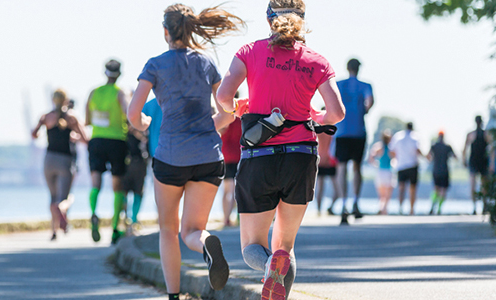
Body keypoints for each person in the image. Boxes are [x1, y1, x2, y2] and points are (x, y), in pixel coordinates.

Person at [215, 1, 345, 299]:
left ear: (269, 19)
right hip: (301, 157)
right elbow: (336, 113)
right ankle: (277, 268)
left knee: (252, 248)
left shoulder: (249, 52)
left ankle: (268, 267)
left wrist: (237, 107)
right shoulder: (317, 60)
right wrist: (315, 117)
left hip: (260, 156)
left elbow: (223, 96)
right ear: (302, 20)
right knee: (285, 248)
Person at [126, 4, 241, 299]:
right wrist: (210, 126)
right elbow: (229, 111)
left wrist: (144, 122)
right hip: (208, 157)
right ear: (190, 30)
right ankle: (205, 242)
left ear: (166, 31)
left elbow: (133, 113)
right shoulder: (206, 64)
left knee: (168, 230)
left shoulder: (155, 65)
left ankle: (174, 296)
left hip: (170, 157)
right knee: (192, 230)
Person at [32, 89, 89, 241]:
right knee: (65, 197)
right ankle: (62, 209)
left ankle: (54, 231)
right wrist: (75, 137)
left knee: (52, 197)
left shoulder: (46, 117)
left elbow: (34, 134)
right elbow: (85, 139)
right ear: (66, 100)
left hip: (48, 160)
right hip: (65, 161)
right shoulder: (72, 118)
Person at [85, 59, 129, 244]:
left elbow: (87, 120)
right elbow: (128, 115)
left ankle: (94, 213)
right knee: (117, 185)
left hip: (96, 139)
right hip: (117, 140)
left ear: (105, 73)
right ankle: (114, 228)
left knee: (96, 181)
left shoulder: (94, 92)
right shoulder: (120, 94)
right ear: (119, 74)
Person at [333, 58, 375, 221]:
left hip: (342, 130)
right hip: (358, 130)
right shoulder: (366, 85)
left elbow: (331, 102)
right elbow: (369, 102)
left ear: (347, 67)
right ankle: (356, 202)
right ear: (359, 69)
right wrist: (363, 111)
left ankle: (343, 203)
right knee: (357, 167)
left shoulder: (338, 84)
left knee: (341, 168)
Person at [219, 92, 243, 227]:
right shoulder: (241, 119)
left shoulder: (223, 118)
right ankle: (236, 217)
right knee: (237, 190)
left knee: (227, 190)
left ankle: (226, 218)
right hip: (239, 156)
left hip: (226, 157)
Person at [391, 122, 424, 215]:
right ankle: (411, 209)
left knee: (401, 188)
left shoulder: (398, 136)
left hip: (401, 165)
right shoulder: (415, 136)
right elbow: (418, 150)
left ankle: (400, 208)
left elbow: (392, 151)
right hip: (412, 165)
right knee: (412, 188)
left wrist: (398, 158)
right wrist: (425, 157)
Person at [122, 127, 150, 236]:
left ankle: (133, 221)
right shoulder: (124, 132)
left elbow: (148, 145)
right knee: (124, 193)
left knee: (138, 193)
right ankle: (127, 220)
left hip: (140, 164)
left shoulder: (144, 132)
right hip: (127, 164)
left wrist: (141, 135)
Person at [464, 115, 491, 215]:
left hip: (479, 162)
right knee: (477, 185)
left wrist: (464, 160)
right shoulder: (480, 134)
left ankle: (481, 205)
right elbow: (465, 148)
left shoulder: (475, 134)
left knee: (480, 185)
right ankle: (477, 206)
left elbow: (464, 148)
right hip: (478, 162)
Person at [315, 114, 340, 217]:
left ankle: (320, 210)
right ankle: (325, 209)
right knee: (336, 189)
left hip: (322, 160)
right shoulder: (332, 131)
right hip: (329, 161)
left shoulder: (318, 131)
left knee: (320, 188)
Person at [427, 131, 456, 215]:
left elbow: (428, 156)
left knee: (436, 189)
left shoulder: (434, 146)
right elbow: (455, 156)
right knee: (443, 190)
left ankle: (432, 206)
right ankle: (439, 208)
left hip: (436, 170)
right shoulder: (447, 146)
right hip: (445, 170)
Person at [368, 130, 395, 215]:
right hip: (388, 171)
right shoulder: (391, 148)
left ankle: (382, 207)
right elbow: (395, 157)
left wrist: (375, 164)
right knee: (387, 193)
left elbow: (371, 156)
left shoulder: (379, 147)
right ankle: (384, 209)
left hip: (380, 171)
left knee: (382, 193)